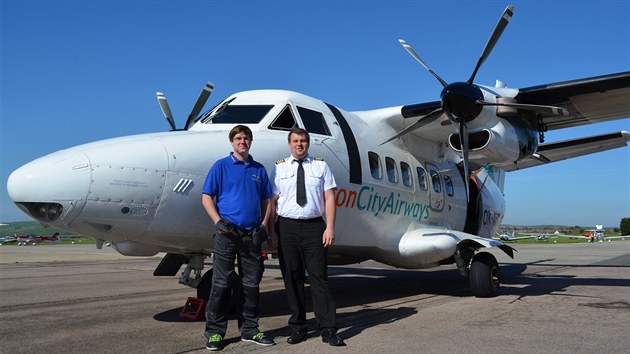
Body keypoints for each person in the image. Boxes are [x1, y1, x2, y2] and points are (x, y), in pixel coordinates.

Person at [268, 127, 346, 347]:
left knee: (319, 278)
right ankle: (298, 328)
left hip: (314, 227)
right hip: (286, 227)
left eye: (303, 141)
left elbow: (329, 198)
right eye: (295, 141)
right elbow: (272, 201)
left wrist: (329, 227)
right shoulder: (279, 167)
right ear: (289, 144)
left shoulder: (321, 165)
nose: (299, 144)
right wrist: (271, 230)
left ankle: (328, 329)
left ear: (308, 144)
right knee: (291, 278)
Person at [201, 125, 275, 351]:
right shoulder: (220, 166)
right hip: (226, 234)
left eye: (246, 138)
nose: (242, 142)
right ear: (232, 142)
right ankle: (214, 333)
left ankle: (250, 329)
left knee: (251, 284)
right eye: (238, 138)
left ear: (250, 142)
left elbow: (267, 201)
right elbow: (206, 197)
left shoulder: (258, 169)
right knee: (221, 283)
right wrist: (218, 221)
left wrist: (264, 226)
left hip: (251, 234)